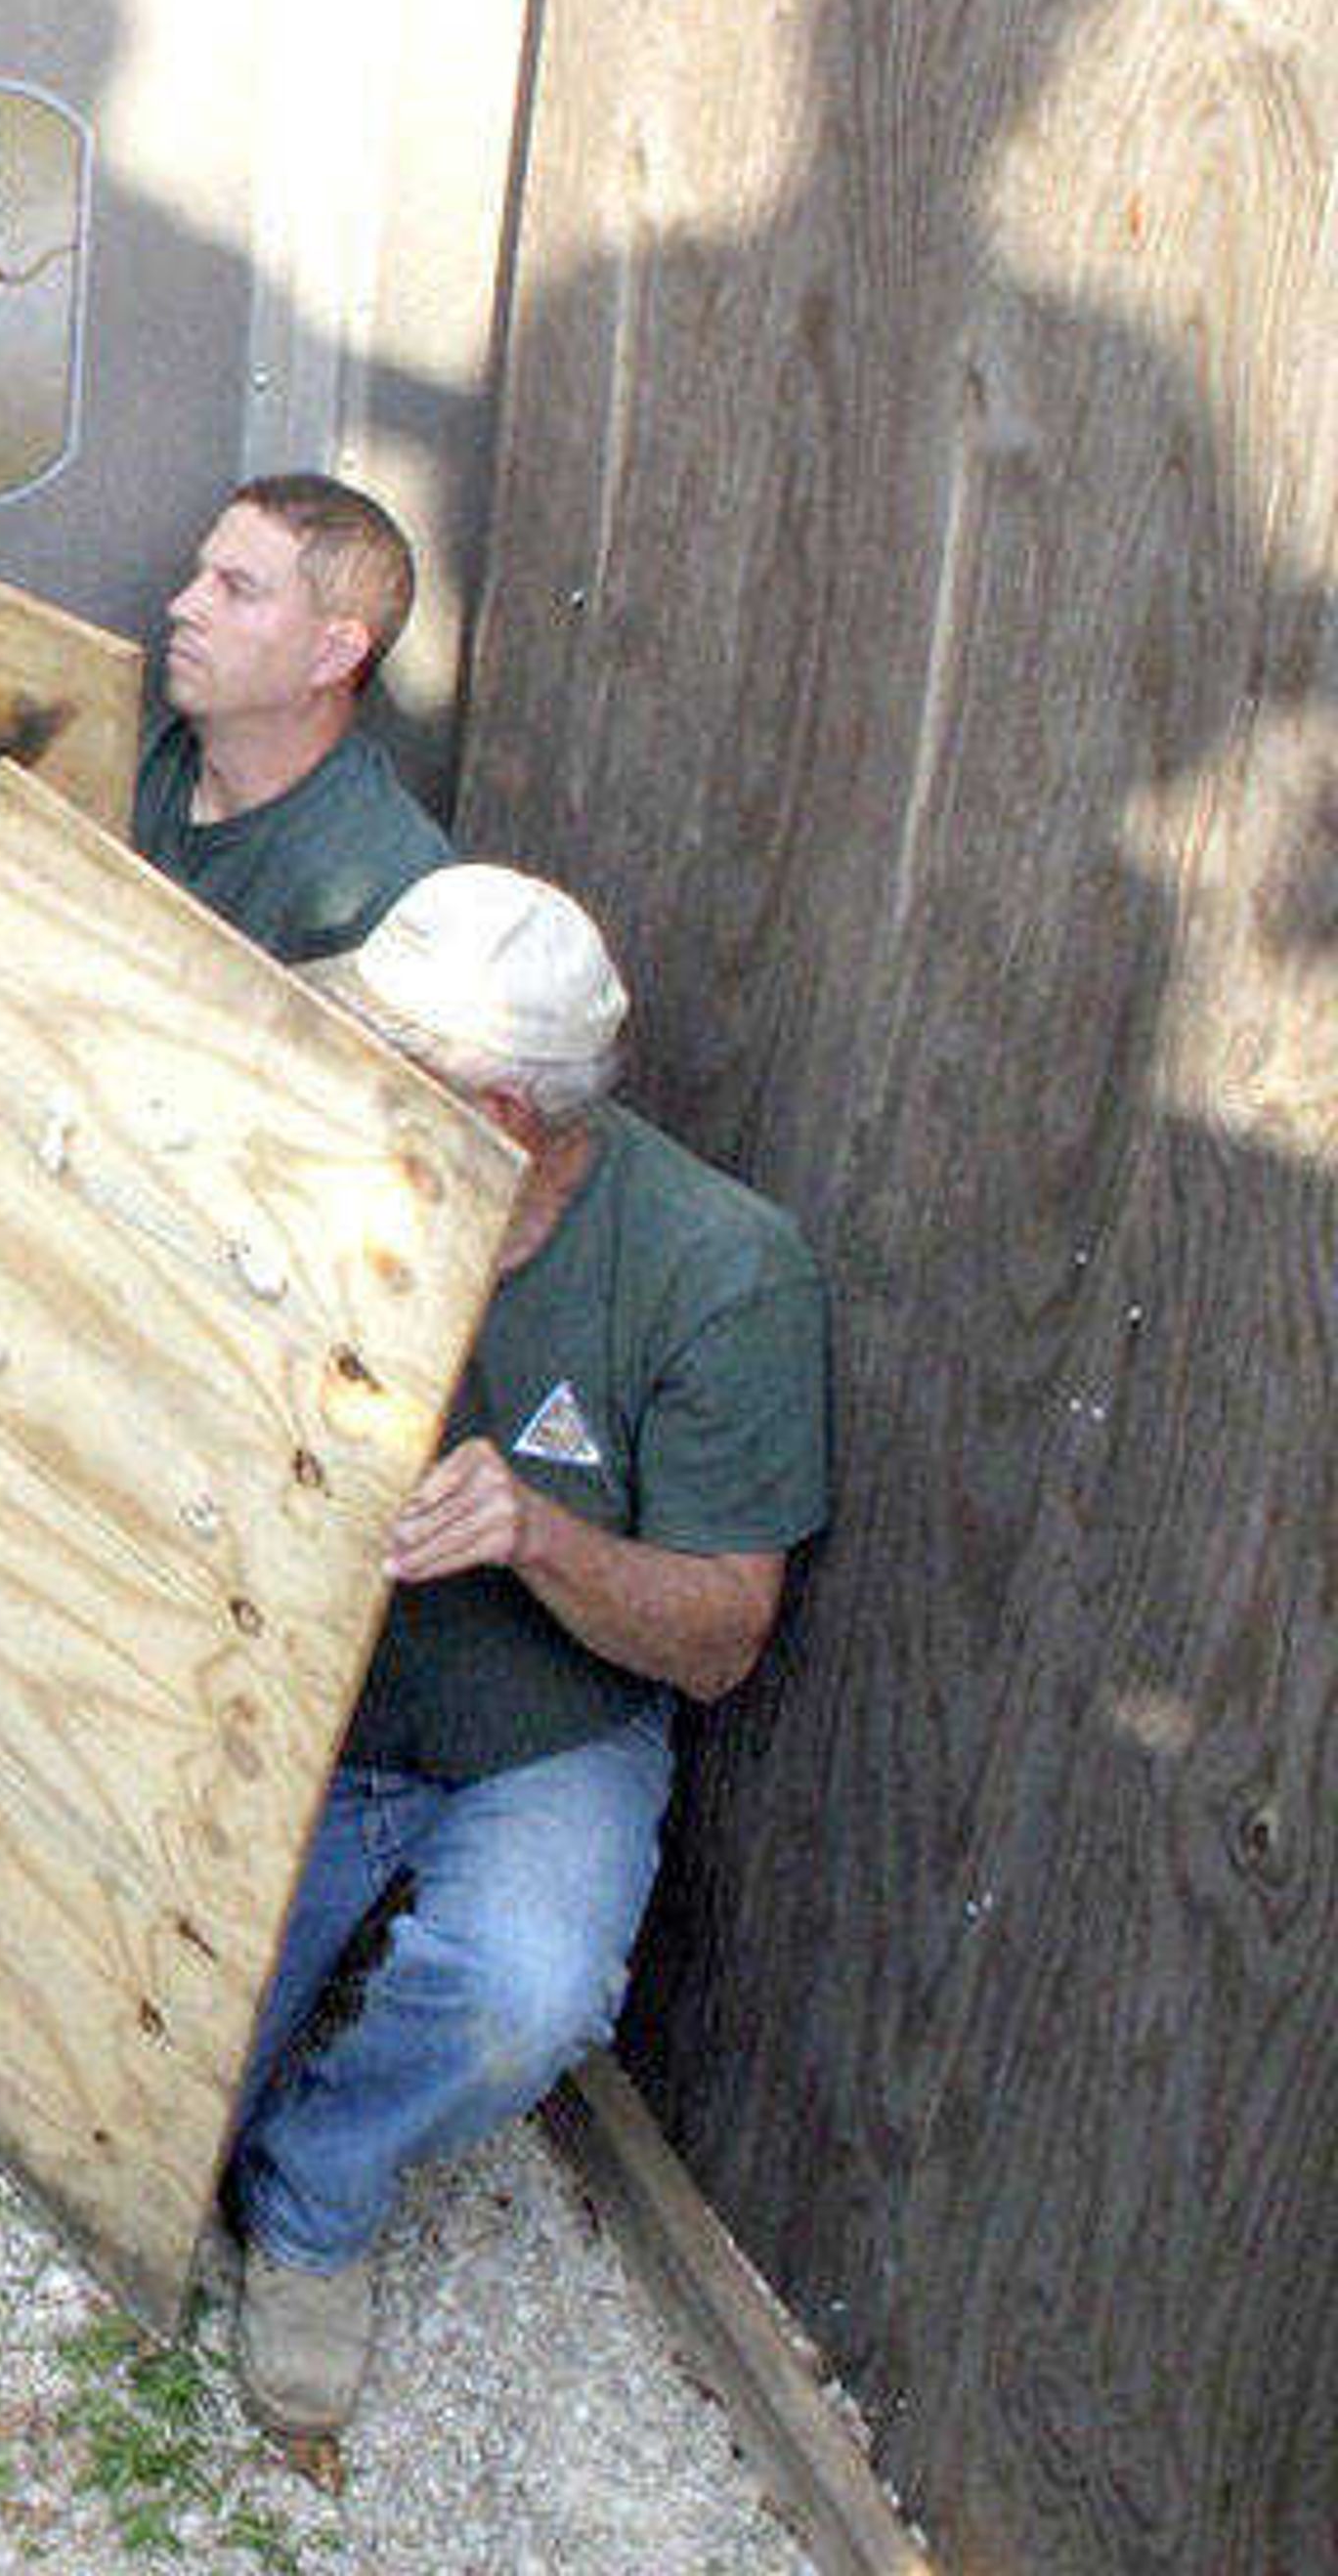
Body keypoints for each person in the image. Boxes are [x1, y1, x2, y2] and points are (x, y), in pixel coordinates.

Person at [218, 865, 831, 2437]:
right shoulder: (321, 1164)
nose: (344, 1067)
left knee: (527, 1992)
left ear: (496, 1109)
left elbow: (722, 1640)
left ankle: (316, 2201)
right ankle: (242, 2113)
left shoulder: (720, 1269)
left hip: (538, 1737)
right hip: (292, 1692)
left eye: (386, 1054)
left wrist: (538, 1533)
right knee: (137, 2079)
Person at [129, 476, 448, 963]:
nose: (184, 606)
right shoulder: (129, 758)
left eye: (237, 589)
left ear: (333, 654)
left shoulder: (390, 892)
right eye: (201, 577)